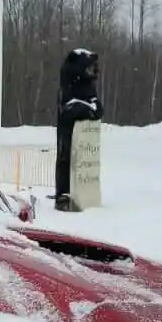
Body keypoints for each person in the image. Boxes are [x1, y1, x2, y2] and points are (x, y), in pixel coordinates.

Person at [54, 48, 104, 211]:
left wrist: (86, 108)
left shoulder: (88, 86)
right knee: (65, 160)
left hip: (83, 139)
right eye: (90, 66)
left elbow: (97, 110)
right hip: (68, 134)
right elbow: (70, 109)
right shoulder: (68, 85)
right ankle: (63, 194)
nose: (94, 70)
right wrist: (86, 109)